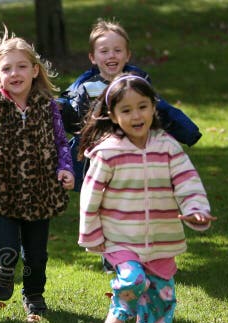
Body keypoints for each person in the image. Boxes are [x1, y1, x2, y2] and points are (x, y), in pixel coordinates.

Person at [77, 74, 214, 323]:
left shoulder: (168, 147)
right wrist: (92, 235)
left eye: (142, 107)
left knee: (162, 300)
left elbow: (187, 181)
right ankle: (120, 308)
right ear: (113, 117)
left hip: (162, 240)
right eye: (126, 110)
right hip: (120, 239)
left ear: (154, 108)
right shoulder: (107, 153)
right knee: (133, 280)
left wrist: (195, 211)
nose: (136, 115)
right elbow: (90, 197)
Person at [0, 31, 74, 321]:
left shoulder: (48, 107)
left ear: (35, 71)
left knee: (36, 254)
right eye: (7, 68)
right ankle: (3, 270)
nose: (15, 73)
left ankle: (34, 295)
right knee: (7, 249)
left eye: (22, 66)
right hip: (0, 190)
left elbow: (61, 142)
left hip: (40, 191)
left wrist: (65, 168)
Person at [58, 18, 202, 192]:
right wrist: (62, 108)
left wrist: (188, 132)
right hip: (99, 157)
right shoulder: (86, 86)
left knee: (131, 197)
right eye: (104, 51)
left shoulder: (137, 83)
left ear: (127, 55)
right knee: (98, 198)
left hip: (135, 152)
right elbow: (72, 113)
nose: (111, 55)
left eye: (117, 50)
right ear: (92, 57)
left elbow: (161, 110)